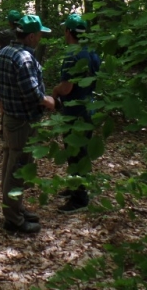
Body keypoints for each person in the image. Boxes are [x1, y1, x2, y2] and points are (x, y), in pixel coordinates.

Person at [0, 14, 55, 234]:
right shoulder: (24, 58)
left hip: (10, 119)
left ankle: (15, 208)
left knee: (11, 164)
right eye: (39, 35)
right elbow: (33, 94)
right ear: (31, 36)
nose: (40, 39)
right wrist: (52, 102)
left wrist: (5, 110)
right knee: (17, 168)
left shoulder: (4, 52)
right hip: (23, 121)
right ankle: (14, 220)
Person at [52, 13, 101, 213]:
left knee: (76, 153)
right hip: (88, 107)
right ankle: (75, 187)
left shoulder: (74, 55)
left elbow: (67, 87)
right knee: (80, 152)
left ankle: (80, 199)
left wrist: (55, 91)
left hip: (76, 111)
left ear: (68, 32)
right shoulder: (91, 52)